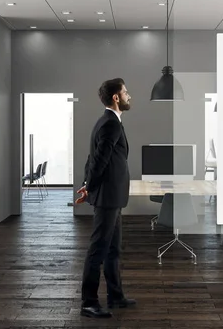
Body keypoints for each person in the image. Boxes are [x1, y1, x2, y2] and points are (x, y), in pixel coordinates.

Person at [76, 78, 137, 318]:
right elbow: (98, 161)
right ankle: (88, 302)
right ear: (116, 97)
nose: (128, 95)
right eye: (125, 92)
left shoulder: (108, 121)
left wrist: (85, 184)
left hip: (114, 197)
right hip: (108, 198)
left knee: (113, 249)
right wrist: (89, 187)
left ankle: (116, 295)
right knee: (98, 250)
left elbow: (91, 158)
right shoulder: (110, 124)